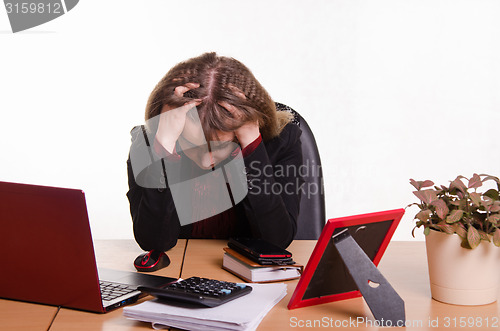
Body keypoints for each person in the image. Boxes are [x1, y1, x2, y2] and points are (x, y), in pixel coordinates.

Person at [127, 52, 304, 271]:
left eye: (221, 147)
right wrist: (164, 146)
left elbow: (275, 241)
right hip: (183, 274)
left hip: (252, 278)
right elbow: (154, 242)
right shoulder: (150, 144)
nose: (206, 160)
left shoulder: (279, 142)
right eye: (193, 145)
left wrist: (251, 146)